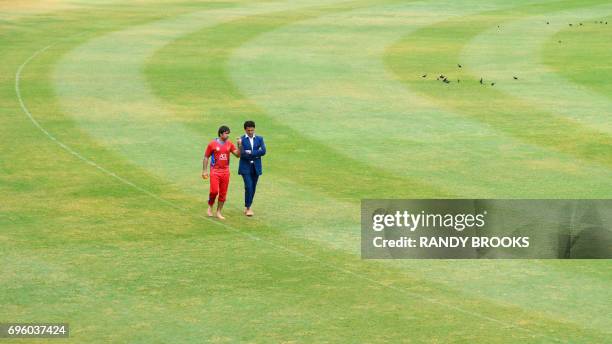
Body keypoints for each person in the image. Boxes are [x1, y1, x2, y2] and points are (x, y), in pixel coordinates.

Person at [202, 125, 240, 220]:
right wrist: (204, 170)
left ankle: (219, 212)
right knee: (214, 191)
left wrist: (239, 145)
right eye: (226, 133)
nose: (228, 135)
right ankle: (210, 206)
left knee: (223, 193)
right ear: (220, 134)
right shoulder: (212, 144)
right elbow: (206, 157)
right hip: (215, 171)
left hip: (225, 171)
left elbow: (237, 155)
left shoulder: (229, 144)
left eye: (228, 134)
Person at [237, 120, 266, 216]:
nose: (250, 132)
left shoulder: (260, 139)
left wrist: (251, 152)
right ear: (245, 130)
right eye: (248, 130)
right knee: (249, 186)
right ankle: (248, 207)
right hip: (245, 167)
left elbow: (263, 151)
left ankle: (247, 205)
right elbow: (242, 154)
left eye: (252, 130)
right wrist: (255, 154)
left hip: (256, 167)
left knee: (253, 187)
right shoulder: (241, 140)